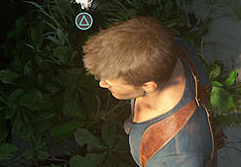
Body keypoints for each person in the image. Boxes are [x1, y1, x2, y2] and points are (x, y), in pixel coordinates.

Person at [82, 16, 219, 166]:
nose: (102, 84)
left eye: (110, 83)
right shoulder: (173, 49)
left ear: (148, 86)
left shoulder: (175, 154)